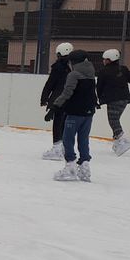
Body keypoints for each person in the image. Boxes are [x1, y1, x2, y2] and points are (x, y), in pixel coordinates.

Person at [47, 48, 97, 182]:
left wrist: (55, 107)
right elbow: (92, 93)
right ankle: (85, 166)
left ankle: (70, 166)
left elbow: (67, 93)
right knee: (83, 139)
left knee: (67, 139)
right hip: (88, 113)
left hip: (75, 112)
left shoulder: (74, 75)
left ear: (74, 62)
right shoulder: (91, 73)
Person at [96, 48, 130, 155]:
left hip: (113, 100)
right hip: (124, 100)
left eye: (105, 59)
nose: (103, 61)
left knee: (113, 121)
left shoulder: (103, 71)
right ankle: (117, 142)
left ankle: (123, 140)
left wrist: (97, 100)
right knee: (115, 120)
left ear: (110, 60)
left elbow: (99, 87)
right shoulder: (123, 69)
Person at [39, 42, 74, 160]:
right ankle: (63, 147)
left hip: (58, 99)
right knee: (64, 122)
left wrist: (44, 98)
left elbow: (50, 83)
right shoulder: (72, 66)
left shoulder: (58, 67)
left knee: (58, 122)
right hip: (70, 99)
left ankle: (57, 148)